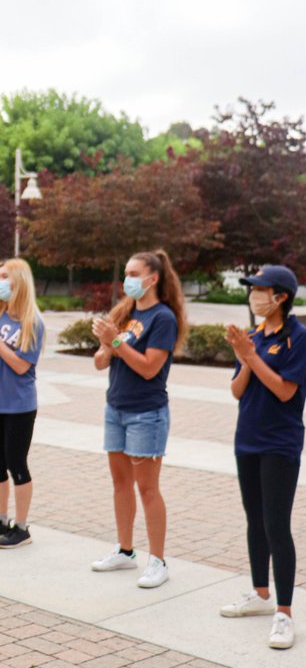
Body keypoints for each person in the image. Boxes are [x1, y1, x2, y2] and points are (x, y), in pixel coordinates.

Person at [90, 249, 187, 589]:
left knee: (147, 488)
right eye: (126, 273)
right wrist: (108, 343)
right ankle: (125, 550)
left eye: (134, 273)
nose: (127, 280)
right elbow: (101, 362)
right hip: (115, 408)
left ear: (152, 278)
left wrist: (114, 340)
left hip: (147, 412)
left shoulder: (163, 318)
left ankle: (158, 560)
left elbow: (149, 367)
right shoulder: (127, 314)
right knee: (120, 484)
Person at [220, 265, 306, 650]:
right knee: (254, 518)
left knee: (276, 524)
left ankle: (285, 613)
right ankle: (260, 592)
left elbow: (286, 392)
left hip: (279, 443)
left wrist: (251, 358)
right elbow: (238, 391)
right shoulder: (252, 336)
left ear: (281, 296)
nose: (254, 296)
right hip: (248, 439)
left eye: (261, 289)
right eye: (252, 289)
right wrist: (244, 356)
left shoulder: (298, 338)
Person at [0, 259, 45, 548]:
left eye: (5, 277)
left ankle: (22, 527)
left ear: (19, 281)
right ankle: (1, 519)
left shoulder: (32, 323)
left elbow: (20, 366)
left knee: (17, 464)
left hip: (19, 406)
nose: (0, 282)